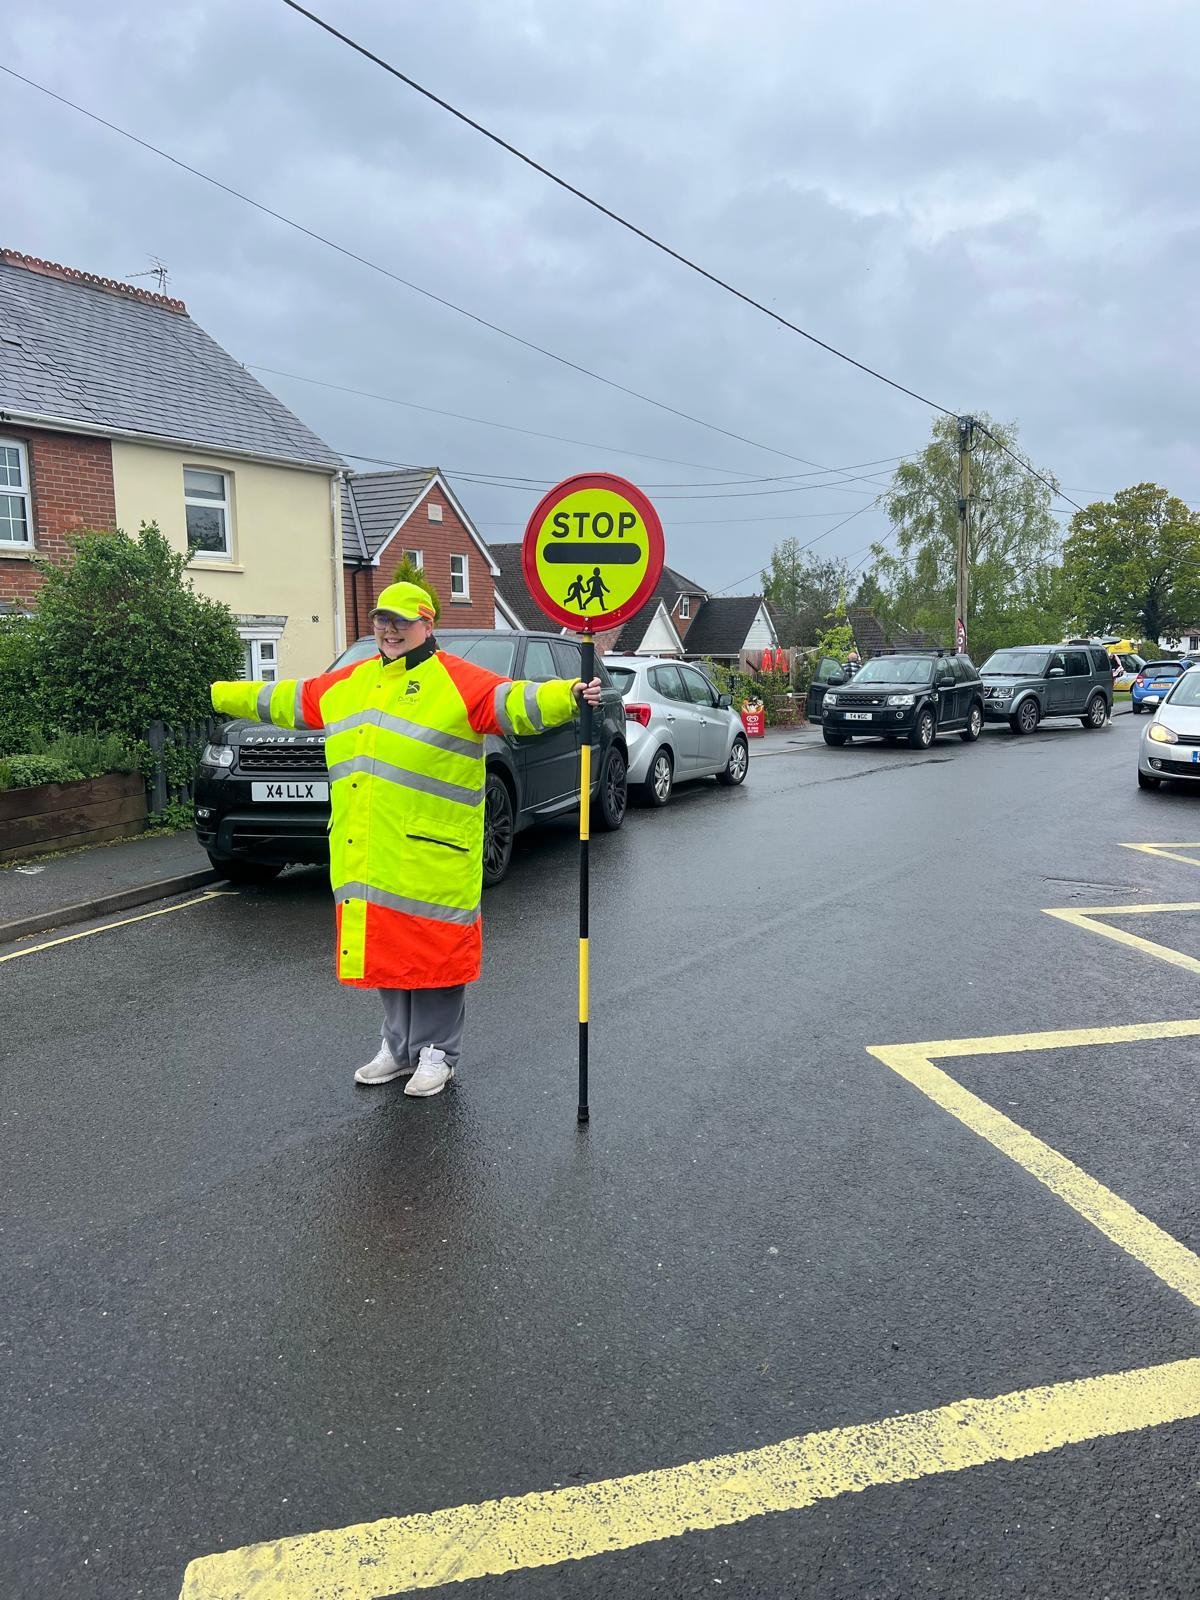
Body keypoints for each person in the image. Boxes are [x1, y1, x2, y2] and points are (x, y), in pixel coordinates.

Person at [209, 581, 602, 1098]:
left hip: (434, 850)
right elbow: (283, 698)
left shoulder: (458, 680)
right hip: (371, 849)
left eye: (400, 620)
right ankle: (397, 1047)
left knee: (437, 951)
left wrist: (568, 694)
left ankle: (437, 1052)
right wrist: (217, 690)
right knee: (388, 950)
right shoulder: (350, 683)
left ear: (426, 624)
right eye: (381, 620)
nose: (389, 629)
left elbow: (514, 701)